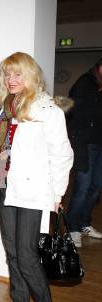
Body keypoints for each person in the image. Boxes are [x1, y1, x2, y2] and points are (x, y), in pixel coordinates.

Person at [0, 52, 73, 302]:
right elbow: (7, 148)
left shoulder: (48, 111)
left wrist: (57, 195)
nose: (11, 80)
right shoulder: (7, 107)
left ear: (31, 75)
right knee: (11, 252)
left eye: (17, 74)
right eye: (7, 74)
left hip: (33, 191)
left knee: (26, 254)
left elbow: (62, 156)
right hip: (5, 186)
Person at [65, 57, 102, 247]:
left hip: (99, 145)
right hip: (84, 146)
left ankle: (84, 223)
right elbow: (73, 115)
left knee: (95, 188)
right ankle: (71, 227)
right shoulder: (84, 84)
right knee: (82, 188)